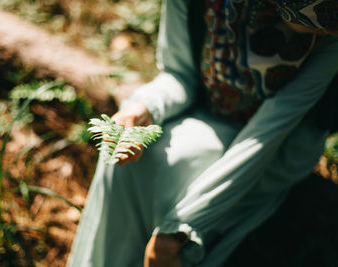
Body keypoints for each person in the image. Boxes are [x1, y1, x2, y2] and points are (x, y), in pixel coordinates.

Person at [67, 0, 338, 266]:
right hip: (207, 113)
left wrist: (182, 228)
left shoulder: (330, 33)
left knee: (182, 167)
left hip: (279, 146)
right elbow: (180, 75)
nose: (322, 33)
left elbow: (273, 127)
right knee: (124, 159)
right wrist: (142, 108)